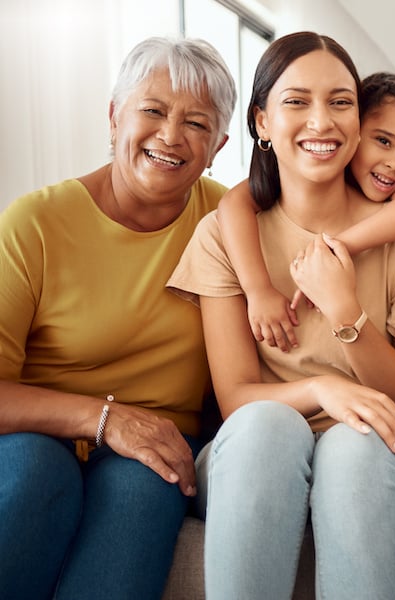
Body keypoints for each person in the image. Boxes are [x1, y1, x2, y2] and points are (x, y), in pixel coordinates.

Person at [167, 31, 395, 600]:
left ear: (358, 122)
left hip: (367, 443)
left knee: (359, 443)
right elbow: (238, 395)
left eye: (341, 102)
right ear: (262, 122)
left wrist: (345, 312)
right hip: (252, 445)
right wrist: (323, 389)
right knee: (270, 425)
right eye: (297, 102)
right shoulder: (226, 234)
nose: (322, 121)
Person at [0, 36, 235, 599]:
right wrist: (105, 419)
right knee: (37, 472)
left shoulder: (231, 222)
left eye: (197, 124)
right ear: (114, 116)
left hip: (157, 445)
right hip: (35, 434)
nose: (171, 136)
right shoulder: (35, 223)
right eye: (152, 110)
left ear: (219, 145)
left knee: (146, 484)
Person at [217, 71, 395, 351]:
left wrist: (336, 248)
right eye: (383, 141)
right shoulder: (301, 175)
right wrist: (258, 290)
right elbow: (233, 203)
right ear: (355, 130)